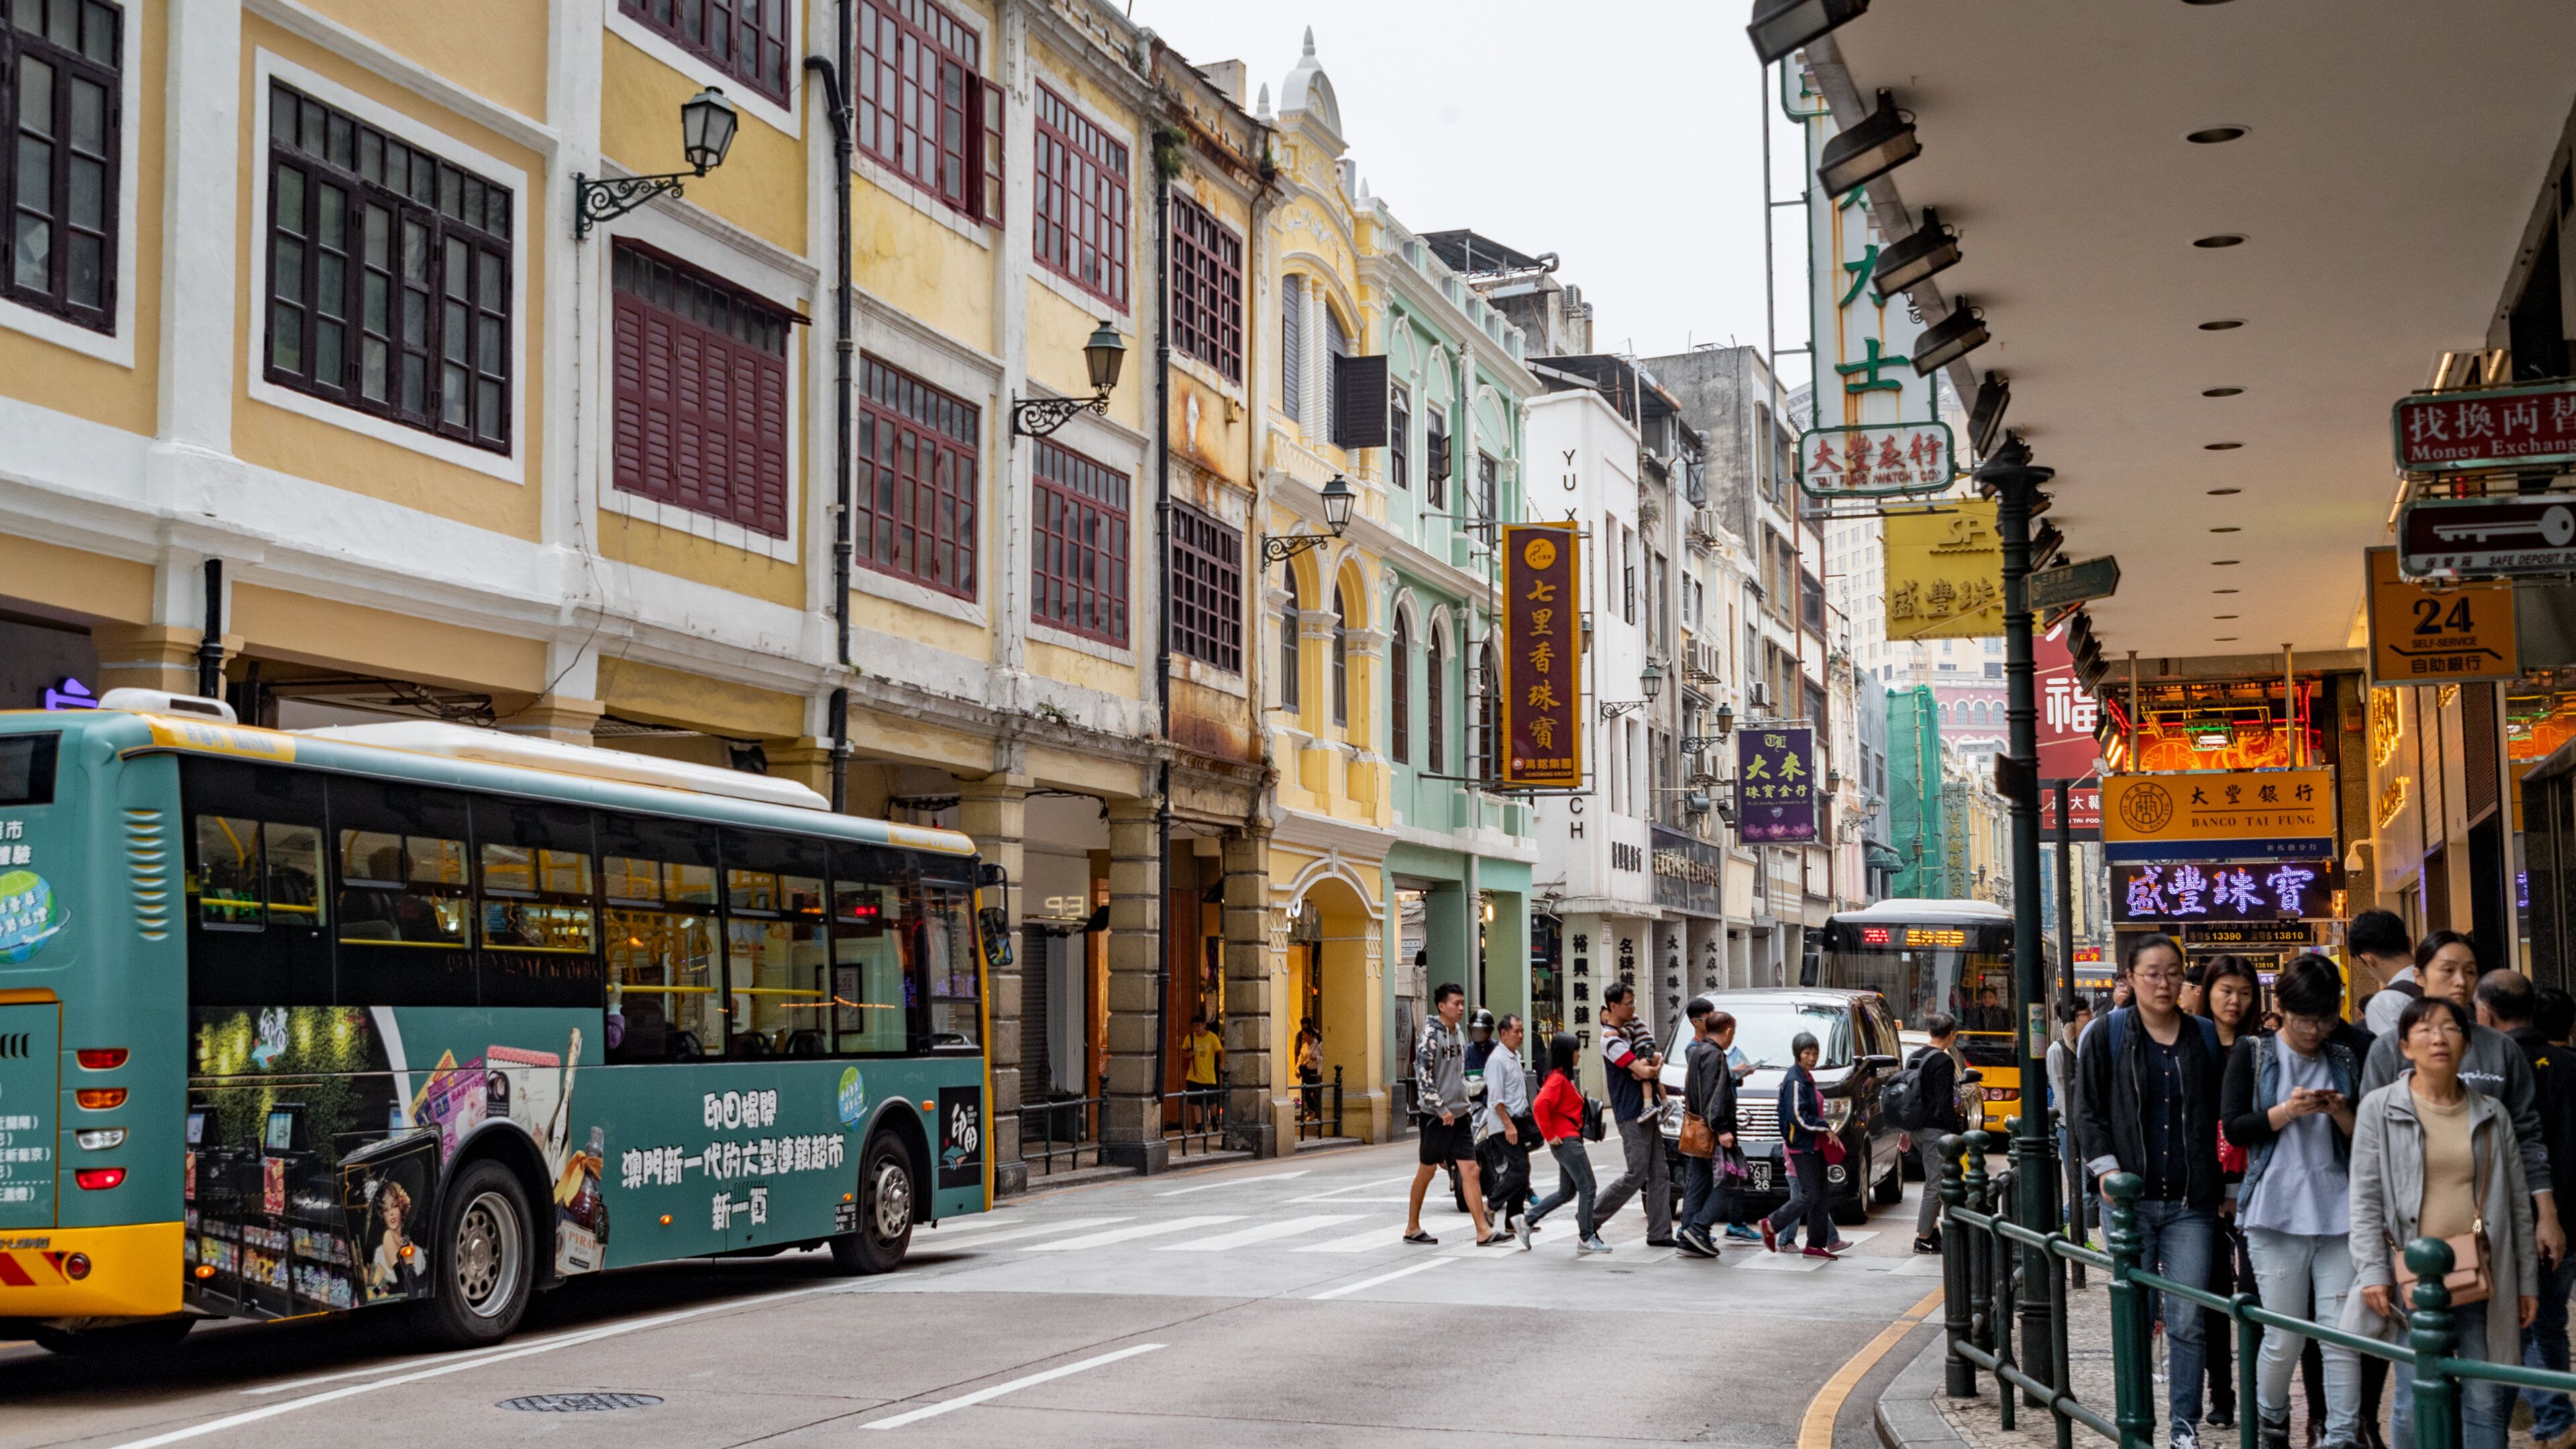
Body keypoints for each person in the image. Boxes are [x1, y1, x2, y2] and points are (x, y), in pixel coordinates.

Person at [2347, 994, 2538, 1449]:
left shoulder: (2492, 1113)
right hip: (2412, 1276)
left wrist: (2526, 1281)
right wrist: (2373, 1271)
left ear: (2466, 1044)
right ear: (2405, 1046)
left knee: (2485, 1398)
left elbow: (2516, 1204)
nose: (2439, 1039)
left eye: (2451, 1029)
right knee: (2413, 1398)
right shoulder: (2379, 1108)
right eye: (2426, 1030)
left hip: (2480, 1270)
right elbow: (2365, 1198)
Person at [2072, 932, 2226, 1449]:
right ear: (2131, 978)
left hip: (2190, 1204)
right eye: (2152, 974)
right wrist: (2106, 1171)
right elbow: (2087, 1110)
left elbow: (2219, 1117)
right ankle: (2135, 1423)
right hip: (2128, 1202)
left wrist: (2225, 1185)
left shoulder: (2204, 1037)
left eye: (2173, 973)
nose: (2164, 983)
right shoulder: (2107, 1033)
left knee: (2187, 1320)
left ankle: (2185, 1428)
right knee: (2135, 1317)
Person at [2220, 955, 2361, 1449]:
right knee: (2284, 1337)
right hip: (2275, 1213)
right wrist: (2286, 1111)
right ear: (2280, 1006)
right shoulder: (2254, 1053)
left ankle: (2341, 1436)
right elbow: (2235, 1127)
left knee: (2341, 1337)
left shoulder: (2344, 1058)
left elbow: (2364, 1140)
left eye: (2325, 1019)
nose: (2315, 1031)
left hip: (2339, 1213)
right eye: (2304, 1020)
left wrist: (2340, 1113)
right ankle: (2272, 1424)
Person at [2358, 932, 2563, 1265]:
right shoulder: (2390, 1049)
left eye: (2470, 971)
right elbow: (2371, 1148)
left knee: (2488, 1295)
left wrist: (2547, 1214)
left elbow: (2526, 1134)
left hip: (2487, 1216)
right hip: (2407, 1223)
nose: (2461, 981)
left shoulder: (2501, 1048)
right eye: (2448, 970)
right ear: (2419, 976)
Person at [2477, 970, 2576, 1449]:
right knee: (2548, 1322)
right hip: (2567, 1217)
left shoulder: (2497, 1069)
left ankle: (2554, 1419)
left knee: (2523, 1325)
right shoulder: (2569, 1064)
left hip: (2521, 1217)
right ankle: (2545, 1416)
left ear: (2485, 1014)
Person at [2199, 954, 2263, 1431]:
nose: (2235, 1001)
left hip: (2258, 1188)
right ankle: (2221, 1393)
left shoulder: (2262, 1049)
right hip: (2204, 1190)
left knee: (2258, 1298)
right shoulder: (2192, 1045)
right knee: (2213, 1297)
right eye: (2226, 991)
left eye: (2244, 992)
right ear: (2208, 993)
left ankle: (2262, 1395)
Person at [1405, 983, 1497, 1246]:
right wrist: (1441, 1108)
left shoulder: (1459, 1034)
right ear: (1441, 1006)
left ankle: (1483, 1230)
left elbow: (1459, 1074)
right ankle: (1412, 1226)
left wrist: (1464, 1100)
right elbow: (1423, 1079)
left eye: (1462, 1003)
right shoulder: (1430, 1036)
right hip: (1437, 1117)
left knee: (1471, 1170)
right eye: (1456, 1004)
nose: (1460, 1008)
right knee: (1427, 1170)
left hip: (1460, 1114)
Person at [1591, 981, 1674, 1247]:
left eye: (1633, 1002)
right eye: (1628, 1003)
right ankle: (1589, 1220)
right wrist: (1652, 1067)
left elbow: (1651, 1063)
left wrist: (1653, 1064)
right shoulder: (1611, 1040)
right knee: (1636, 1174)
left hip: (1648, 1111)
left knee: (1660, 1173)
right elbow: (1644, 1070)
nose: (1632, 1008)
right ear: (1613, 1006)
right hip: (1631, 1113)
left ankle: (1660, 1233)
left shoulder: (1628, 1032)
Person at [1760, 1031, 1840, 1260]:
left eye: (1815, 1053)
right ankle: (1772, 1224)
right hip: (1802, 1146)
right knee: (1809, 1194)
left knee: (1821, 1195)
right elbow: (1797, 1116)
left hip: (1814, 1144)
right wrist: (1823, 1127)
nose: (1812, 1058)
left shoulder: (1805, 1077)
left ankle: (1815, 1245)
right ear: (1797, 1054)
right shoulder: (1795, 1080)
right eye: (1807, 1053)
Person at [1528, 1030, 1609, 1254]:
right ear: (1566, 1053)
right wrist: (1549, 1133)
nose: (1579, 1055)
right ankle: (1586, 1238)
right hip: (1567, 1142)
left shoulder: (1560, 1078)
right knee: (1588, 1187)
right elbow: (1540, 1105)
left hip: (1567, 1141)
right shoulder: (1557, 1080)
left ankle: (1527, 1220)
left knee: (1566, 1192)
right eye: (1576, 1051)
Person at [1675, 998, 1736, 1260]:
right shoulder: (1714, 1055)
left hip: (1698, 1128)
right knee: (1733, 1180)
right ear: (1728, 1032)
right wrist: (1722, 1128)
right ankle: (1698, 1229)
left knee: (1699, 1183)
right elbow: (1714, 1095)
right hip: (1712, 1131)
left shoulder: (1699, 1051)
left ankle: (1689, 1237)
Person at [1909, 1013, 1968, 1254]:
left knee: (1933, 1181)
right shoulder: (1943, 1061)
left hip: (1916, 1128)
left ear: (1929, 1032)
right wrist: (1956, 1132)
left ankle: (1933, 1232)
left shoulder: (1915, 1056)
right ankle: (1923, 1237)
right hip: (1935, 1129)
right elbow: (1945, 1102)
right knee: (1936, 1184)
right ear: (1952, 1034)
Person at [1479, 1013, 1538, 1251]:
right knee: (1520, 1167)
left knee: (1521, 1167)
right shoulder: (1497, 1060)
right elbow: (1496, 1097)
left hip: (1517, 1122)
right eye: (1517, 1031)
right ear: (1503, 1034)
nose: (1521, 1036)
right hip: (1504, 1124)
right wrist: (1508, 1124)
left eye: (1522, 1031)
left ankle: (1514, 1219)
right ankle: (1491, 1205)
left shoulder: (1513, 1057)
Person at [2049, 998, 2098, 1245]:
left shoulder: (2087, 1043)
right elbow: (2061, 1093)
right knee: (2083, 1189)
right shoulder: (2058, 1050)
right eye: (2085, 1014)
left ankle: (2081, 1239)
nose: (2090, 1017)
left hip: (2090, 1125)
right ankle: (2051, 1223)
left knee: (2088, 1187)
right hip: (2070, 1128)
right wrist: (2075, 1125)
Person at [2351, 908, 2420, 1039]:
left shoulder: (2383, 1003)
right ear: (2410, 943)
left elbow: (2391, 1050)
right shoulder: (2443, 980)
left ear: (2368, 959)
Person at [1183, 1012, 1223, 1132]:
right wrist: (1188, 1055)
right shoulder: (1190, 1038)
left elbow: (1220, 1051)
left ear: (1204, 1025)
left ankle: (1214, 1118)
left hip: (1209, 1075)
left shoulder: (1212, 1037)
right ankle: (1199, 1124)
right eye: (1194, 1026)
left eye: (1198, 1026)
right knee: (1195, 1102)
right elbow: (1183, 1051)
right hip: (1193, 1076)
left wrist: (1221, 1064)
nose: (1196, 1029)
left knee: (1211, 1101)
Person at [1297, 1018, 1324, 1124]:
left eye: (1305, 1035)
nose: (1303, 1037)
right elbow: (1301, 1058)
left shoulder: (1319, 1045)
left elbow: (1326, 1058)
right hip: (1307, 1071)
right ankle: (1312, 1110)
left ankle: (1317, 1112)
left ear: (1310, 1035)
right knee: (1306, 1092)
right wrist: (1297, 1069)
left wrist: (1317, 1059)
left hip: (1315, 1072)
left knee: (1316, 1092)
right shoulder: (1304, 1046)